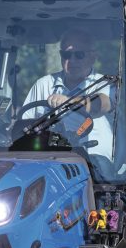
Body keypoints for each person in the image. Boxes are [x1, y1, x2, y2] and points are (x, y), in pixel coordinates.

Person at [21, 29, 116, 159]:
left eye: (79, 55)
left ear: (93, 57)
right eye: (66, 55)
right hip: (48, 158)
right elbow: (24, 124)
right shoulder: (43, 84)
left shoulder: (105, 84)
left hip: (94, 163)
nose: (71, 60)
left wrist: (69, 101)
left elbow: (102, 104)